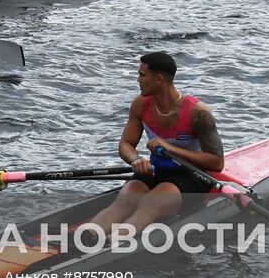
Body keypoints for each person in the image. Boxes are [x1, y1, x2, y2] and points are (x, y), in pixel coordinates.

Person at [84, 52, 226, 237]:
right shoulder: (141, 104)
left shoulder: (198, 113)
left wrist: (170, 148)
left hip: (192, 176)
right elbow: (125, 144)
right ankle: (84, 238)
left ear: (158, 79)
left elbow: (216, 163)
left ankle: (111, 245)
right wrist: (135, 159)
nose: (138, 80)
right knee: (124, 200)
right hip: (155, 171)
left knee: (150, 203)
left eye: (142, 75)